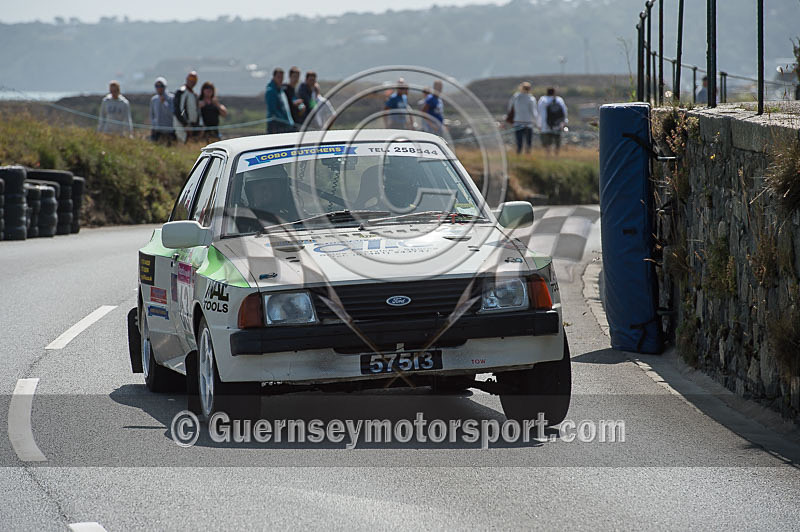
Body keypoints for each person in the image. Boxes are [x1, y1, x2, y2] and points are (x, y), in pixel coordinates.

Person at [506, 82, 538, 154]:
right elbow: (533, 112)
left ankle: (519, 155)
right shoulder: (531, 99)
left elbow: (510, 108)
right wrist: (537, 122)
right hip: (528, 123)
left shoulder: (515, 97)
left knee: (519, 143)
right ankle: (527, 155)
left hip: (518, 122)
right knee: (528, 143)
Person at [538, 87, 568, 155]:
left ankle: (548, 154)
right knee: (557, 140)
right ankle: (556, 154)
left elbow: (540, 113)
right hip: (558, 124)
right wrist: (564, 122)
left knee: (547, 142)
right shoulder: (559, 100)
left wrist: (539, 124)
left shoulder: (543, 100)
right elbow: (564, 111)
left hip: (546, 125)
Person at [173, 71, 201, 143]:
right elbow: (178, 109)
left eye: (194, 79)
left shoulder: (193, 94)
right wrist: (185, 124)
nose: (192, 81)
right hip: (183, 126)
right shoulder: (181, 91)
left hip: (192, 127)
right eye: (190, 79)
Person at [265, 68, 295, 134]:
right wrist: (284, 121)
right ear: (274, 77)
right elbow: (273, 110)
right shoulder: (271, 91)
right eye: (278, 77)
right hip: (276, 125)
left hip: (285, 125)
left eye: (282, 77)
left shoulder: (281, 91)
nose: (281, 79)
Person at [149, 77, 175, 143]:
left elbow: (172, 114)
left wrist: (164, 103)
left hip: (169, 131)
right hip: (157, 131)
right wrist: (153, 127)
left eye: (161, 86)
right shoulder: (154, 100)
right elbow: (152, 116)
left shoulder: (171, 98)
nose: (159, 88)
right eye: (157, 86)